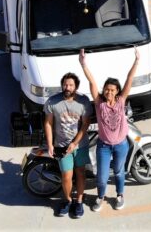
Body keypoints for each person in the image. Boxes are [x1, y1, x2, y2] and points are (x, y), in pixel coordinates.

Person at [79, 47, 139, 212]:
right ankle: (100, 197)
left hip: (121, 145)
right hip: (104, 146)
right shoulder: (99, 103)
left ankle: (119, 195)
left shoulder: (121, 101)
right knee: (102, 176)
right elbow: (92, 82)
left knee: (119, 172)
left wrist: (136, 61)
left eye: (112, 90)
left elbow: (130, 78)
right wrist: (83, 64)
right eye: (107, 89)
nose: (109, 92)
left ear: (117, 91)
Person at [43, 72, 92, 218]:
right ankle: (68, 200)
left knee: (81, 174)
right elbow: (48, 123)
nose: (67, 87)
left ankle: (80, 201)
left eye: (71, 85)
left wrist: (75, 143)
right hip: (62, 146)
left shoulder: (84, 102)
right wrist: (50, 144)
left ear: (76, 87)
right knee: (66, 176)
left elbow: (85, 124)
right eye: (65, 84)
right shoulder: (52, 102)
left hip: (80, 145)